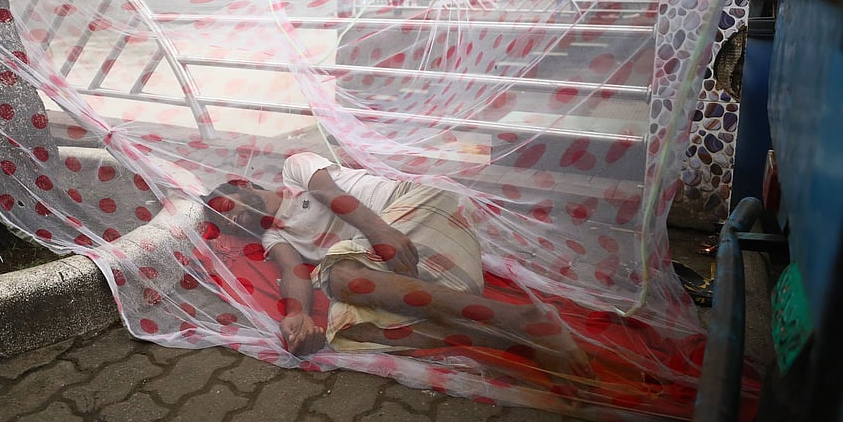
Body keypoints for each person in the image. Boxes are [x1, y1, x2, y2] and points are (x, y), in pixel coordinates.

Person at [204, 152, 592, 380]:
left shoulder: (296, 169)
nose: (234, 220)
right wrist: (299, 315)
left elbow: (329, 192)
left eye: (227, 207)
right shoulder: (276, 238)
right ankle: (516, 339)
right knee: (348, 330)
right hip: (430, 276)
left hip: (420, 215)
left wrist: (380, 231)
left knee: (337, 276)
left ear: (241, 184)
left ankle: (518, 320)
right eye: (226, 224)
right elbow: (293, 273)